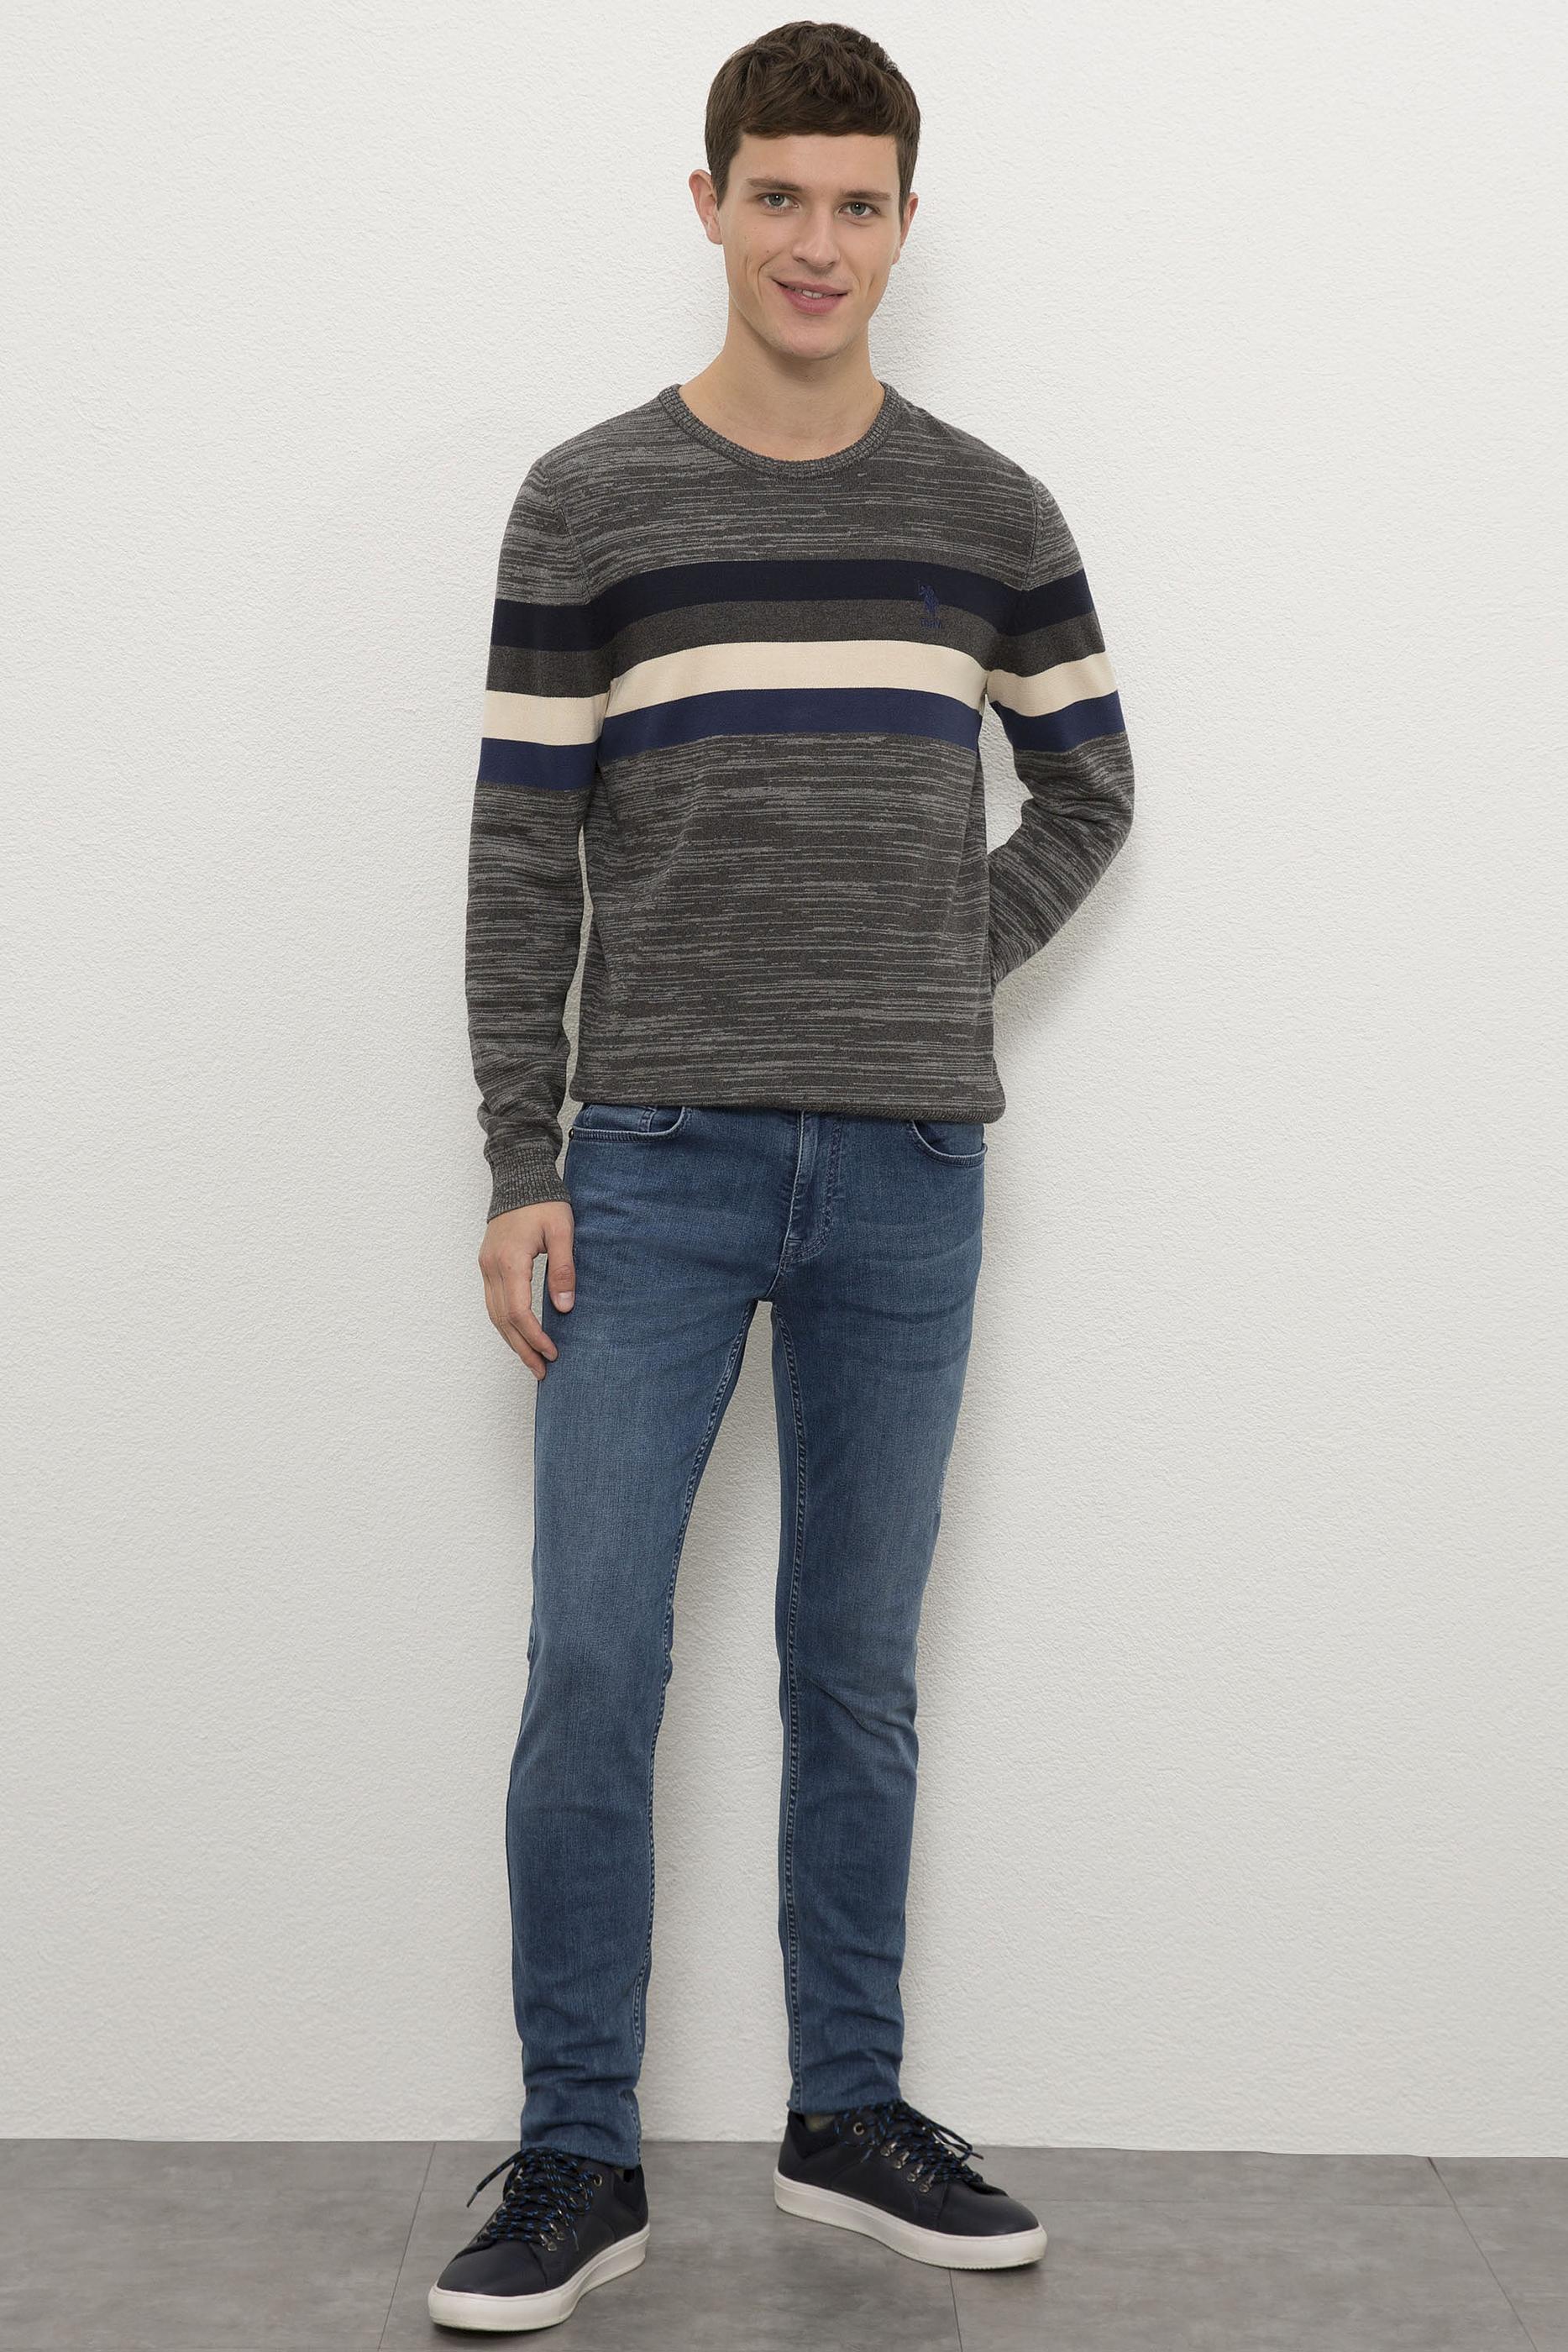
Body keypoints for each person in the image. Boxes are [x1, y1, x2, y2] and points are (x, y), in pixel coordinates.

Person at [430, 19, 1134, 2334]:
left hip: (909, 1166)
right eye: (777, 197)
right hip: (648, 1162)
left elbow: (1093, 788)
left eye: (857, 204)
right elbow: (520, 853)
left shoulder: (987, 511)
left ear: (903, 223)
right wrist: (521, 1157)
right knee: (593, 1655)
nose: (815, 243)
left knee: (854, 1665)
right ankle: (576, 2148)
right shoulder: (592, 502)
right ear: (710, 203)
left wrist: (940, 962)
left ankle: (848, 2113)